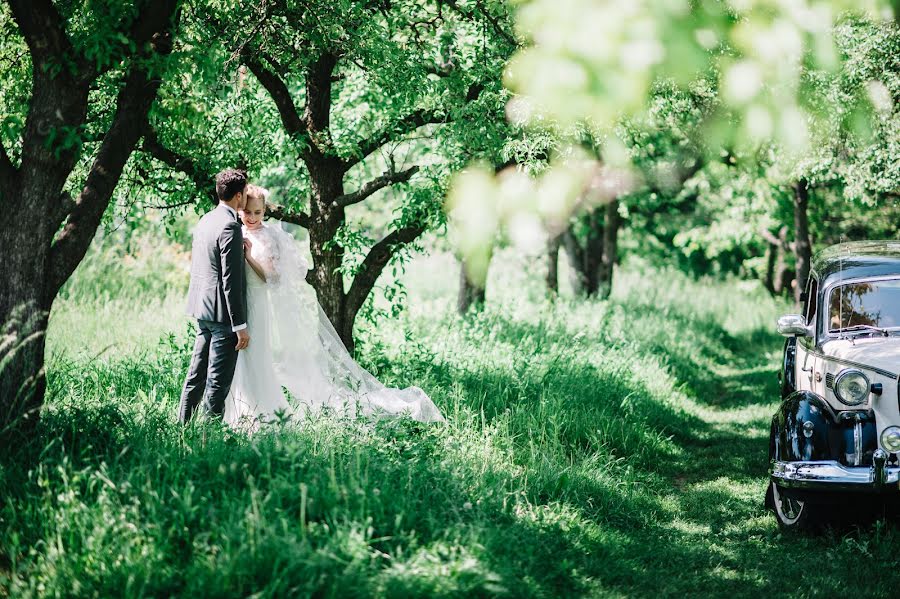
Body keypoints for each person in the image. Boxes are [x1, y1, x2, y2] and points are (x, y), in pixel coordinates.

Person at [223, 185, 444, 428]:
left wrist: (249, 256)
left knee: (256, 355)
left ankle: (263, 412)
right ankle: (239, 409)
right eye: (248, 212)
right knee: (241, 357)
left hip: (259, 303)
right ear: (240, 210)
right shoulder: (236, 231)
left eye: (258, 212)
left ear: (265, 211)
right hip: (240, 306)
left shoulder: (269, 236)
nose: (252, 218)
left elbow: (272, 277)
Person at [178, 169, 251, 423]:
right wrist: (240, 326)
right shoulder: (231, 226)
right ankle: (210, 441)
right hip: (223, 317)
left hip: (202, 310)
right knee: (217, 385)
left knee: (196, 376)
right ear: (239, 196)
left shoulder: (205, 220)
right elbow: (230, 281)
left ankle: (182, 427)